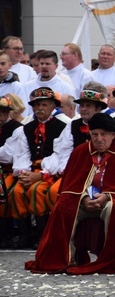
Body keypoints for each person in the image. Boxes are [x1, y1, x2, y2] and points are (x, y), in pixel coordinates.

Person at [24, 113, 115, 274]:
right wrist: (83, 199)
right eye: (94, 134)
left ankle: (111, 258)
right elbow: (69, 186)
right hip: (84, 200)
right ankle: (66, 258)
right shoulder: (80, 151)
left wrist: (107, 196)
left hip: (113, 199)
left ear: (113, 134)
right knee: (63, 207)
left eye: (103, 134)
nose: (98, 139)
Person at [9, 87, 69, 247]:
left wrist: (42, 174)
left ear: (53, 107)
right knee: (16, 191)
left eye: (44, 105)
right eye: (36, 105)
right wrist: (23, 173)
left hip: (51, 171)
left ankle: (44, 234)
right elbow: (22, 153)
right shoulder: (26, 128)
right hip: (30, 170)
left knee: (36, 191)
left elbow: (59, 154)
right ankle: (25, 234)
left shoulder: (62, 127)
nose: (39, 109)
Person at [44, 84, 109, 208]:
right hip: (76, 171)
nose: (83, 109)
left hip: (100, 172)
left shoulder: (108, 125)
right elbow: (64, 151)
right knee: (53, 192)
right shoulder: (73, 125)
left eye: (88, 106)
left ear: (98, 108)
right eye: (82, 105)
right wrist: (67, 169)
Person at [0, 93, 26, 248]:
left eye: (3, 112)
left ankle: (8, 234)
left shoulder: (17, 129)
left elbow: (8, 155)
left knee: (5, 191)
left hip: (9, 170)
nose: (0, 115)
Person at [21, 50, 75, 116]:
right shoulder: (27, 87)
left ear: (56, 66)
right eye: (41, 63)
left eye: (47, 64)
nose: (44, 66)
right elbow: (24, 111)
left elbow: (71, 111)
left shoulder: (65, 87)